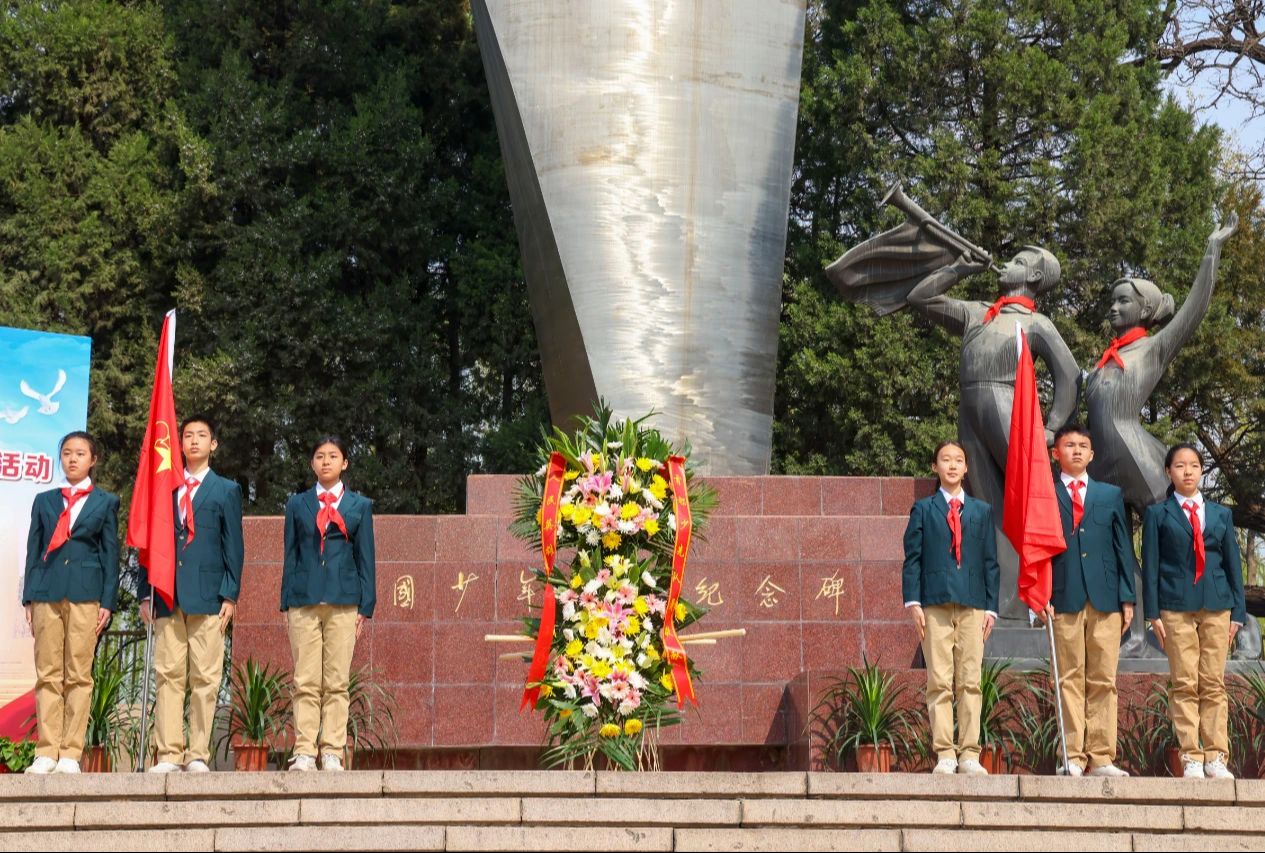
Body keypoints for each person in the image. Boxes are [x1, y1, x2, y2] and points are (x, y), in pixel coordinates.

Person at [906, 247, 1079, 620]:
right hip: (969, 410)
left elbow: (1069, 374)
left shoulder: (1036, 323)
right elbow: (920, 297)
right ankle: (1003, 603)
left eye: (1019, 261)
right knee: (988, 506)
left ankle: (1035, 599)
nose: (1008, 263)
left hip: (1008, 406)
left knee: (1025, 503)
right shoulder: (977, 312)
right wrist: (958, 267)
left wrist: (1052, 428)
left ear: (1033, 278)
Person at [140, 415, 244, 773]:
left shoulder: (226, 490)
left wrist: (230, 595)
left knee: (205, 677)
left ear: (213, 444)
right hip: (167, 593)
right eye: (188, 436)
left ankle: (197, 753)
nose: (194, 441)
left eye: (202, 436)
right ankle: (168, 753)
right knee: (168, 675)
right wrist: (144, 591)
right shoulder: (163, 486)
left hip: (209, 597)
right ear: (179, 444)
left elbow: (234, 546)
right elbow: (149, 542)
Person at [1143, 443, 1246, 779]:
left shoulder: (1220, 514)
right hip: (1175, 606)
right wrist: (1152, 613)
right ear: (1168, 472)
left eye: (1193, 465)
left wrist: (1239, 613)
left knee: (1213, 683)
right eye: (1179, 466)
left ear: (1202, 471)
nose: (1187, 471)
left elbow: (1233, 564)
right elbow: (1152, 566)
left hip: (1217, 606)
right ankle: (1192, 756)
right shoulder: (1158, 514)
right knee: (1185, 682)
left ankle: (1216, 756)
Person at [22, 431, 119, 774]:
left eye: (80, 453)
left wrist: (108, 601)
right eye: (66, 453)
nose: (72, 459)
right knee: (48, 674)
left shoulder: (106, 502)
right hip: (47, 592)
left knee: (79, 675)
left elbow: (111, 556)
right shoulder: (45, 500)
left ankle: (70, 754)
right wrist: (29, 597)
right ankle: (46, 751)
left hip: (85, 595)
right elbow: (33, 551)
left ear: (93, 460)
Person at [903, 440, 1000, 775]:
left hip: (973, 605)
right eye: (946, 460)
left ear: (966, 468)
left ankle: (970, 754)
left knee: (971, 681)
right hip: (935, 603)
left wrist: (992, 608)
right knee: (939, 681)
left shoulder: (981, 511)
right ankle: (945, 752)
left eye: (959, 460)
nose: (953, 465)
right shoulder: (923, 509)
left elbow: (991, 562)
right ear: (935, 467)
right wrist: (913, 602)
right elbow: (912, 559)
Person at [1043, 424, 1135, 777]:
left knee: (1103, 679)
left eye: (1083, 445)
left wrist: (1128, 597)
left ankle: (1101, 757)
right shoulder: (1046, 495)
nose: (1077, 451)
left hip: (1106, 599)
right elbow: (1036, 550)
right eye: (1069, 445)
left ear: (1092, 454)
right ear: (1057, 453)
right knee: (1069, 677)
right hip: (1063, 598)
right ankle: (1073, 756)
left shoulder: (1109, 495)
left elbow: (1121, 548)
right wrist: (1041, 593)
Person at [280, 435, 375, 771]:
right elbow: (290, 555)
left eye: (333, 456)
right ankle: (305, 750)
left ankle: (332, 749)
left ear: (344, 463)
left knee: (336, 681)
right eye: (319, 456)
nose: (326, 462)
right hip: (304, 600)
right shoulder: (297, 504)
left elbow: (366, 559)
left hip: (343, 601)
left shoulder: (359, 506)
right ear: (312, 463)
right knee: (305, 679)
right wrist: (286, 602)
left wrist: (366, 607)